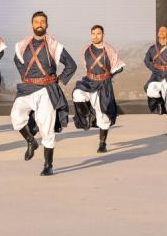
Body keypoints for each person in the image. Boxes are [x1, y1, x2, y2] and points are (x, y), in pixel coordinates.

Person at [11, 11, 77, 176]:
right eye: (36, 21)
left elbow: (71, 65)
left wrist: (59, 79)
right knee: (16, 117)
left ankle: (48, 165)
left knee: (45, 126)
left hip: (46, 90)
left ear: (46, 25)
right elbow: (17, 60)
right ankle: (31, 141)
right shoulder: (22, 45)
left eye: (42, 21)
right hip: (27, 89)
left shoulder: (54, 45)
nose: (39, 24)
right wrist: (25, 76)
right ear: (32, 24)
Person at [72, 25, 125, 153]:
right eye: (93, 33)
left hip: (104, 84)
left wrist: (109, 75)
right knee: (78, 93)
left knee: (104, 115)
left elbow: (119, 66)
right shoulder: (86, 49)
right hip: (89, 81)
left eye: (98, 33)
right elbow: (87, 66)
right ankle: (89, 115)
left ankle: (102, 143)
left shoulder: (109, 49)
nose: (96, 36)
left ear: (103, 35)